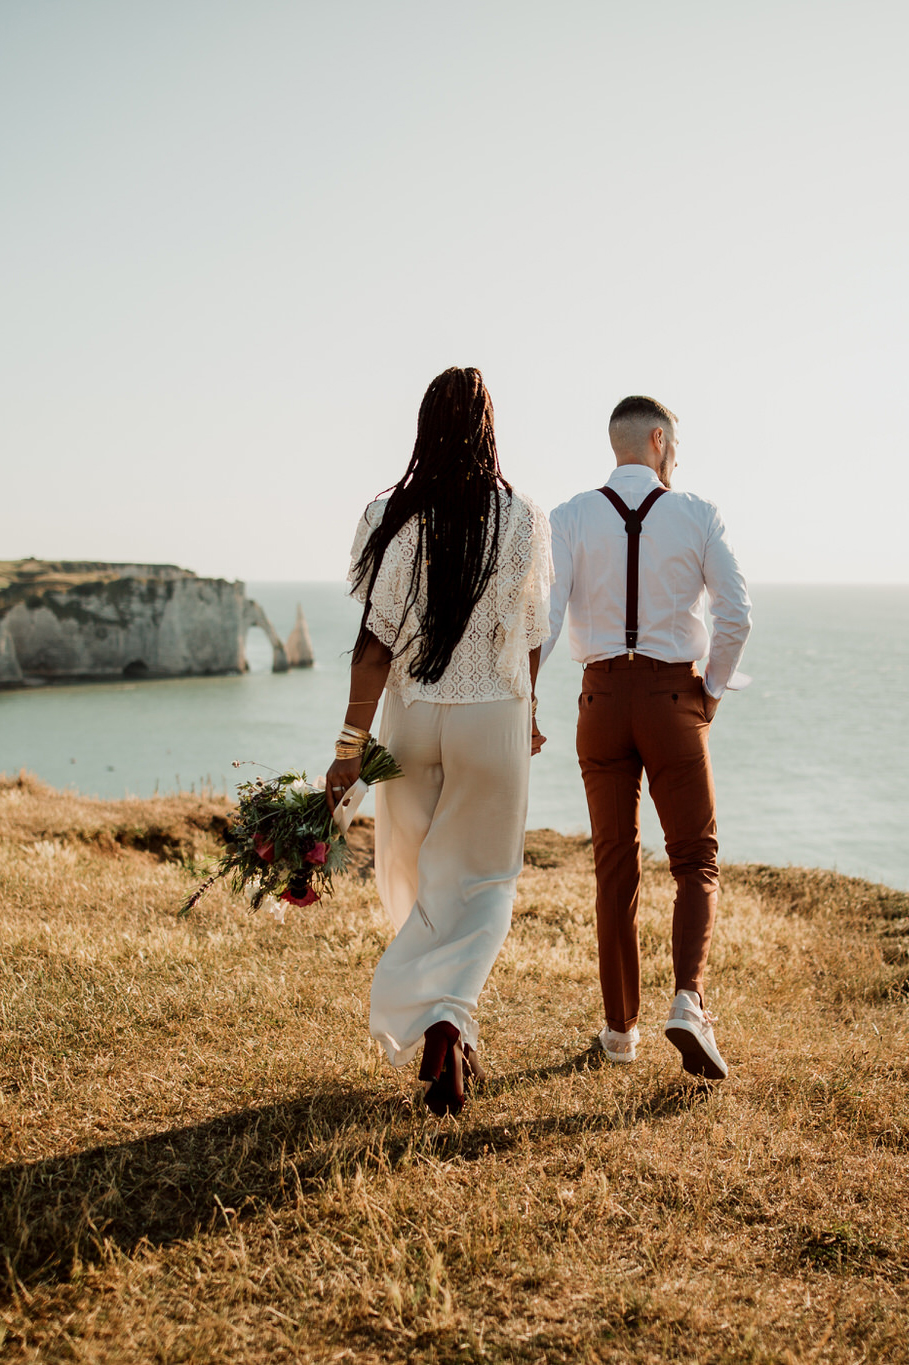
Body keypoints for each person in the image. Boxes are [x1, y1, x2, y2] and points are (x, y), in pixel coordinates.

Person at [326, 367, 552, 1115]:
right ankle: (448, 1020)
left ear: (423, 426)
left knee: (414, 874)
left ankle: (445, 1021)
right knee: (484, 884)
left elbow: (373, 644)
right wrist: (527, 715)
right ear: (490, 429)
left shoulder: (389, 515)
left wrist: (349, 742)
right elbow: (528, 636)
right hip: (493, 720)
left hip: (413, 719)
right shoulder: (522, 517)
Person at [542, 395, 751, 1080]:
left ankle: (619, 1030)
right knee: (695, 858)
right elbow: (735, 614)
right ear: (658, 440)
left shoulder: (569, 516)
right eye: (676, 443)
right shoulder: (697, 513)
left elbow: (541, 623)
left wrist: (524, 706)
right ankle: (688, 1002)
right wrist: (712, 692)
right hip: (670, 697)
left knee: (614, 863)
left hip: (600, 700)